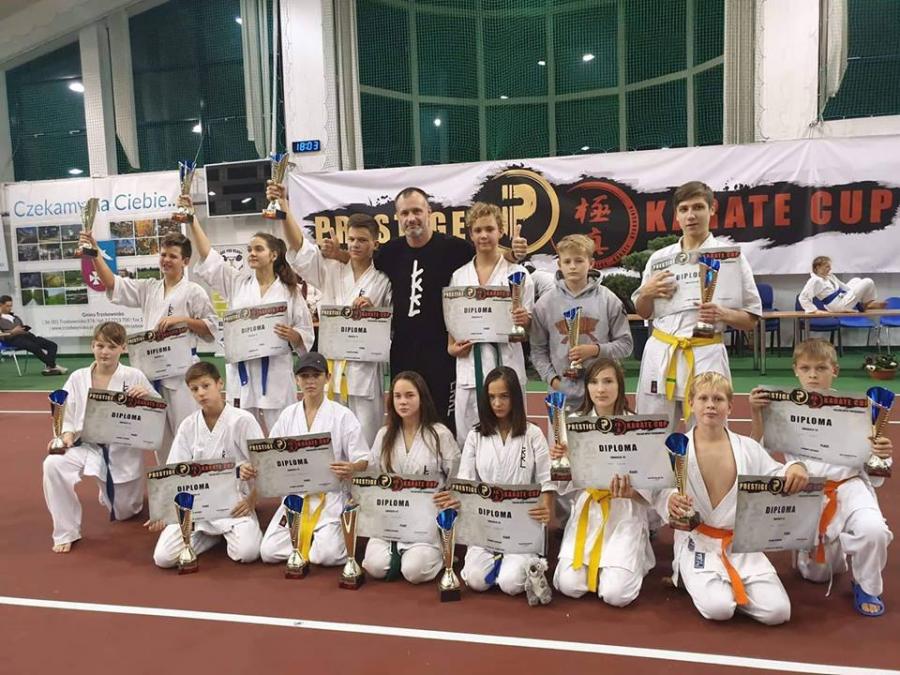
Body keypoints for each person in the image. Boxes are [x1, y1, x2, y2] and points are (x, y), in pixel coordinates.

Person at [320, 187, 527, 432]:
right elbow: (362, 260)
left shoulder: (454, 249)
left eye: (417, 211)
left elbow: (486, 253)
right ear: (398, 217)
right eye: (405, 213)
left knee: (444, 421)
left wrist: (512, 254)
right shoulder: (390, 252)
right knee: (405, 417)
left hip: (441, 354)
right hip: (403, 350)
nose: (411, 218)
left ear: (429, 212)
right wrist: (338, 254)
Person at [749, 339, 893, 616]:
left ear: (834, 370)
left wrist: (881, 454)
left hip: (850, 485)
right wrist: (757, 413)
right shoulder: (782, 408)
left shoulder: (857, 410)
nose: (813, 375)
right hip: (808, 491)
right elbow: (756, 453)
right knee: (817, 575)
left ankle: (867, 585)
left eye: (821, 368)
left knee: (873, 530)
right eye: (806, 368)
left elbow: (875, 468)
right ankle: (832, 545)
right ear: (796, 370)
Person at [652, 372, 809, 625]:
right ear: (690, 403)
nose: (711, 405)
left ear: (730, 406)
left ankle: (717, 583)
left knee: (778, 612)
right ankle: (691, 575)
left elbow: (775, 474)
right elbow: (657, 488)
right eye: (703, 398)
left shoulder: (747, 447)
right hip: (698, 541)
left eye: (718, 399)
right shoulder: (676, 446)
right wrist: (669, 499)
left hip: (738, 543)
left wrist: (795, 468)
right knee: (719, 609)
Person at [270, 182, 391, 447]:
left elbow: (391, 321)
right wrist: (284, 207)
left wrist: (373, 309)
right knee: (330, 439)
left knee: (365, 442)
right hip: (332, 371)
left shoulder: (383, 279)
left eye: (362, 240)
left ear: (375, 243)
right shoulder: (330, 269)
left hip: (364, 373)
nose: (355, 245)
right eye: (352, 239)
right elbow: (299, 247)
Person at [81, 230, 218, 460]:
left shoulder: (194, 291)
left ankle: (194, 476)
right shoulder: (149, 288)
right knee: (159, 437)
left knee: (188, 434)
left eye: (173, 256)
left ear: (185, 261)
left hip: (181, 374)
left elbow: (212, 328)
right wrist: (95, 255)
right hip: (151, 375)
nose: (166, 260)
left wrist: (184, 320)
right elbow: (111, 283)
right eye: (163, 255)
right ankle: (168, 477)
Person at [633, 181, 761, 426]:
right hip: (661, 352)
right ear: (677, 215)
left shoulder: (731, 258)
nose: (691, 215)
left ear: (712, 209)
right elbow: (644, 312)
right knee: (652, 432)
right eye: (684, 209)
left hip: (706, 352)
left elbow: (751, 319)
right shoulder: (660, 258)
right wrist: (646, 293)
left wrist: (723, 314)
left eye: (698, 207)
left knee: (708, 431)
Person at [185, 195, 314, 430]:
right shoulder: (237, 283)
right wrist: (192, 218)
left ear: (273, 255)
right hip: (242, 371)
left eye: (258, 249)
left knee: (281, 432)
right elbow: (208, 257)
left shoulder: (290, 291)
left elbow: (305, 332)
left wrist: (293, 335)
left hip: (275, 369)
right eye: (249, 250)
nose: (252, 253)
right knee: (242, 431)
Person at [41, 322, 156, 553]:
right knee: (53, 464)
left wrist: (147, 398)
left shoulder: (134, 376)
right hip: (84, 445)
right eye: (100, 346)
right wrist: (66, 434)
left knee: (126, 513)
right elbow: (66, 411)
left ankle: (107, 492)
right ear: (92, 346)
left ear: (123, 348)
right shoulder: (78, 377)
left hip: (120, 452)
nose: (105, 352)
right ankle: (66, 532)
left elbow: (157, 415)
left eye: (112, 347)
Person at [551, 358, 655, 606]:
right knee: (569, 585)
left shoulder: (638, 426)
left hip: (624, 512)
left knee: (616, 595)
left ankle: (633, 558)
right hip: (589, 509)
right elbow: (564, 485)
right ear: (587, 387)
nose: (601, 389)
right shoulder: (574, 423)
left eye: (608, 381)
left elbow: (652, 483)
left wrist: (633, 492)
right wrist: (562, 460)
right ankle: (604, 568)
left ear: (620, 385)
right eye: (594, 382)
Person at [147, 361, 264, 567]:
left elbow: (264, 466)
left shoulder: (243, 420)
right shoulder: (188, 426)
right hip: (197, 505)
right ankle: (208, 537)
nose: (201, 393)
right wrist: (161, 510)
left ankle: (222, 532)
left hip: (234, 503)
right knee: (163, 558)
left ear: (220, 384)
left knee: (248, 552)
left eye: (206, 386)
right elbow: (174, 472)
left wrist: (251, 501)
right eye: (194, 389)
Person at [258, 352, 369, 567]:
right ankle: (311, 540)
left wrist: (351, 467)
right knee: (268, 552)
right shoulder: (288, 415)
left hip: (330, 496)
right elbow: (270, 455)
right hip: (296, 496)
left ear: (327, 378)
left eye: (316, 375)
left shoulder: (342, 415)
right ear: (296, 380)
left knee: (326, 556)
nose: (310, 381)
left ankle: (328, 538)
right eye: (304, 376)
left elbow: (363, 458)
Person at [453, 366, 556, 597]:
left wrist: (546, 507)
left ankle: (528, 564)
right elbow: (466, 482)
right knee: (477, 580)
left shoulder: (532, 434)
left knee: (511, 584)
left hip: (522, 521)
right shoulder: (476, 436)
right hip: (486, 522)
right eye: (492, 397)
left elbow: (546, 480)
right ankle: (505, 563)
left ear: (515, 398)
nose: (497, 403)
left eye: (504, 396)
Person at [448, 202, 534, 447]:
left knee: (513, 438)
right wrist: (451, 348)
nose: (483, 235)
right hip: (469, 367)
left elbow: (526, 332)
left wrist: (524, 322)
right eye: (477, 230)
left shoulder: (519, 274)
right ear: (470, 234)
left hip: (506, 361)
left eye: (489, 229)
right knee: (469, 440)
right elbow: (453, 324)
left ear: (501, 231)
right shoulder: (459, 276)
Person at [361, 371, 460, 584]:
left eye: (409, 395)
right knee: (374, 566)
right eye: (397, 396)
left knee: (414, 571)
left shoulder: (439, 434)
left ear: (422, 398)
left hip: (426, 518)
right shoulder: (384, 435)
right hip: (390, 516)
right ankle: (398, 551)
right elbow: (372, 476)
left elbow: (457, 477)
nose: (403, 401)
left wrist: (451, 495)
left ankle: (444, 554)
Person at [530, 234, 632, 411]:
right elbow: (538, 350)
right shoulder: (544, 304)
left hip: (602, 396)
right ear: (559, 265)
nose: (572, 266)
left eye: (579, 260)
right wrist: (553, 380)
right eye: (567, 261)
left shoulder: (608, 299)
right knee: (561, 431)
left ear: (591, 263)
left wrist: (595, 350)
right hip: (561, 397)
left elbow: (626, 345)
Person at [0, 295, 66, 375]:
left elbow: (21, 327)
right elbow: (2, 336)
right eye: (7, 306)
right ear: (1, 305)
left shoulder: (15, 317)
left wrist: (23, 329)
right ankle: (53, 366)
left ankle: (49, 368)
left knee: (52, 345)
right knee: (34, 346)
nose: (10, 308)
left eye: (11, 306)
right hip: (13, 339)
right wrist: (12, 332)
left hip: (27, 336)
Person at [798, 256, 886, 313]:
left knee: (856, 280)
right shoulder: (815, 280)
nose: (830, 269)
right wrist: (815, 311)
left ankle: (862, 303)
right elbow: (803, 297)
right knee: (868, 281)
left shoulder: (829, 276)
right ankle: (867, 303)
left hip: (840, 297)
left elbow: (843, 286)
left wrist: (855, 294)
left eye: (830, 266)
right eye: (827, 266)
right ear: (818, 267)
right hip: (836, 305)